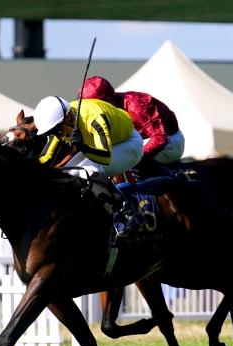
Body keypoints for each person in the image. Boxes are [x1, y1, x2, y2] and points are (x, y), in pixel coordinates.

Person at [33, 95, 145, 239]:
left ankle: (129, 212)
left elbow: (105, 157)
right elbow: (46, 156)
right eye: (52, 133)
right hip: (104, 145)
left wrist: (83, 147)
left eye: (57, 131)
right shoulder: (61, 119)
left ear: (68, 118)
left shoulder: (94, 119)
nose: (57, 136)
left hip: (129, 144)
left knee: (86, 170)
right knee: (68, 171)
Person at [79, 76, 184, 177]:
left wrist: (135, 157)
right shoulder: (104, 110)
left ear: (109, 99)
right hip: (143, 142)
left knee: (127, 155)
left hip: (171, 140)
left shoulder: (136, 105)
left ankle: (174, 181)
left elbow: (160, 138)